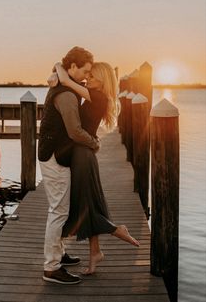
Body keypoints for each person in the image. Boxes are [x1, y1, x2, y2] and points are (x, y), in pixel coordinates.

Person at [52, 61, 140, 275]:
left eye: (91, 77)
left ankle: (116, 229)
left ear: (102, 80)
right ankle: (95, 254)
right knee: (89, 202)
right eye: (87, 76)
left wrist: (58, 64)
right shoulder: (96, 95)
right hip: (82, 154)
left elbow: (64, 80)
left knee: (86, 204)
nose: (87, 79)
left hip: (83, 156)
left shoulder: (98, 96)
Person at [38, 46, 101, 285]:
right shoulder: (66, 94)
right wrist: (94, 142)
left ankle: (59, 254)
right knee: (59, 211)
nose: (86, 77)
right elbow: (75, 131)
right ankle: (51, 268)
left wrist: (57, 68)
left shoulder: (64, 85)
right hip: (55, 156)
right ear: (72, 67)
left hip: (55, 154)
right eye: (84, 71)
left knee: (60, 208)